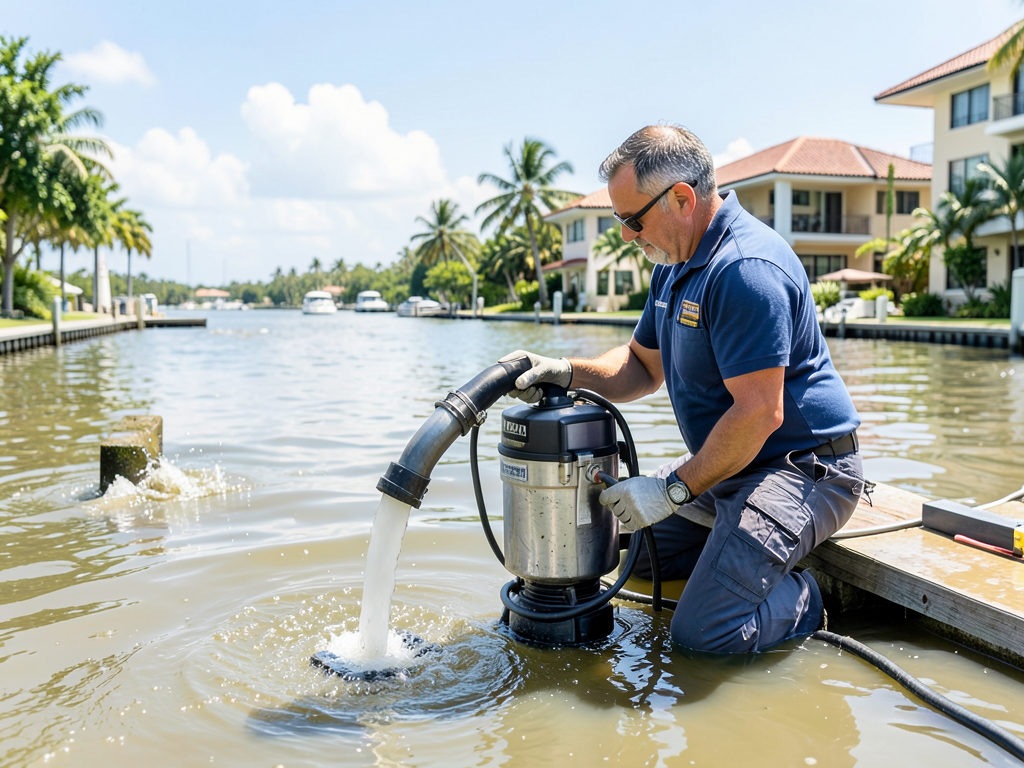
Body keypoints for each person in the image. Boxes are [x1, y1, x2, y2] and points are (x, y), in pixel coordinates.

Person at [501, 125, 863, 654]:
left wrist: (671, 490)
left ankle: (805, 593)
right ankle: (735, 564)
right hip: (734, 466)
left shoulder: (744, 270)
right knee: (638, 561)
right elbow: (639, 368)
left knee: (703, 637)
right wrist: (565, 370)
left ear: (681, 197)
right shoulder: (673, 265)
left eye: (632, 219)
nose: (626, 234)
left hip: (802, 470)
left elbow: (760, 414)